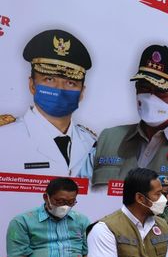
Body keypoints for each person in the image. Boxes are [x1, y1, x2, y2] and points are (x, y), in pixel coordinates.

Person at [84, 45, 168, 196]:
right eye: (144, 87)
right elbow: (77, 196)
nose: (150, 97)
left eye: (160, 91)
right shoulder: (107, 140)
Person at [0, 29, 96, 177]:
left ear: (81, 92)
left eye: (70, 83)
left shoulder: (92, 144)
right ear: (32, 85)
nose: (60, 90)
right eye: (49, 79)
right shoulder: (4, 138)